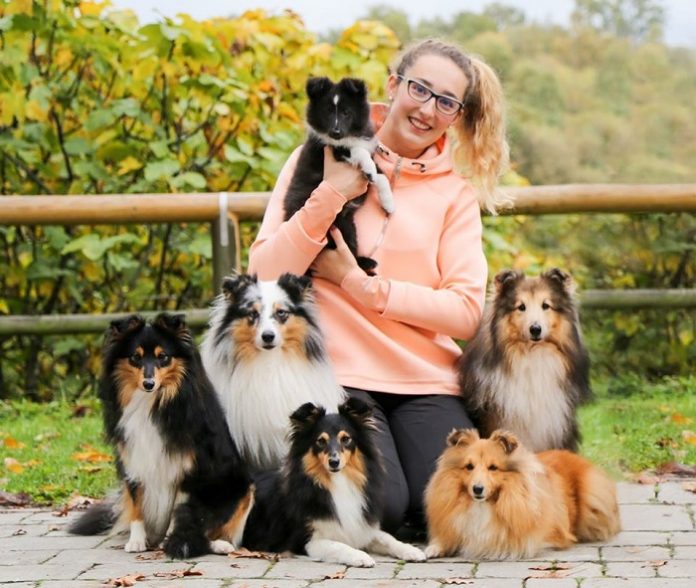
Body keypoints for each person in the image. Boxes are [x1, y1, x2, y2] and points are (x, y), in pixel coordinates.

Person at [248, 39, 510, 534]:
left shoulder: (454, 195)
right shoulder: (317, 155)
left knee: (456, 503)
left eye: (446, 101)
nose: (428, 109)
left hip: (424, 380)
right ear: (393, 86)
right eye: (420, 89)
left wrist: (359, 284)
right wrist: (330, 195)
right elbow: (264, 273)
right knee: (381, 508)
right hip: (337, 375)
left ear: (456, 115)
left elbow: (465, 312)